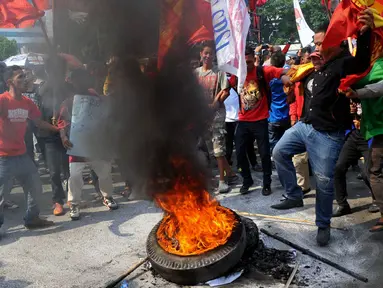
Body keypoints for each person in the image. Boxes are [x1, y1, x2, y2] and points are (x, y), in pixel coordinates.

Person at [270, 11, 373, 246]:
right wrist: (305, 72)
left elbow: (362, 61)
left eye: (321, 42)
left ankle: (323, 225)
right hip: (305, 127)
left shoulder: (343, 63)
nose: (317, 47)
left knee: (325, 183)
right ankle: (294, 195)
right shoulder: (313, 66)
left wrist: (364, 34)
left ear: (335, 41)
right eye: (315, 43)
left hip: (328, 136)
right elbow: (290, 78)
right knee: (279, 152)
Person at [0, 66, 60, 237]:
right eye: (21, 77)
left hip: (22, 155)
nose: (26, 79)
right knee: (1, 196)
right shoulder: (2, 100)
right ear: (9, 82)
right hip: (3, 157)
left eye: (26, 76)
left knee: (35, 186)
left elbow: (39, 122)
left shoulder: (27, 103)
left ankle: (32, 219)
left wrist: (58, 129)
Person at [58, 69, 118, 220]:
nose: (81, 82)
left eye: (84, 79)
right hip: (77, 146)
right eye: (78, 80)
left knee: (104, 172)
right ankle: (74, 203)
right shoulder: (68, 102)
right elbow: (61, 122)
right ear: (72, 82)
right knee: (75, 176)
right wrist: (64, 137)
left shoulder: (97, 98)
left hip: (96, 144)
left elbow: (106, 117)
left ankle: (107, 196)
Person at [232, 46, 290, 195]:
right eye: (244, 62)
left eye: (249, 61)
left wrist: (290, 78)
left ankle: (266, 182)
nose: (247, 65)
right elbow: (229, 86)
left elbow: (281, 71)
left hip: (261, 120)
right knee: (239, 153)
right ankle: (247, 180)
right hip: (243, 121)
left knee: (264, 154)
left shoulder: (262, 71)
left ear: (254, 58)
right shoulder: (237, 75)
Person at [195, 43, 238, 193]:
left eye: (210, 54)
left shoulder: (218, 71)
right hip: (202, 115)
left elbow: (225, 90)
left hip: (217, 114)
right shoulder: (196, 73)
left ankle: (222, 180)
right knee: (212, 150)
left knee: (219, 149)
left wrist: (216, 102)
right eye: (205, 53)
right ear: (201, 54)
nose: (207, 56)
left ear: (214, 56)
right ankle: (230, 173)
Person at [345, 63, 383, 232]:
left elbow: (378, 88)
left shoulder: (377, 65)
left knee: (374, 173)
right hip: (374, 129)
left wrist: (356, 92)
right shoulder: (370, 66)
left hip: (380, 130)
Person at [333, 115, 377, 217]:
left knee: (368, 172)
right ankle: (342, 205)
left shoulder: (370, 99)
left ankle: (377, 199)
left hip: (370, 136)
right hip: (353, 135)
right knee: (339, 168)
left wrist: (363, 121)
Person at [268, 51, 290, 155]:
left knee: (273, 141)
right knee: (285, 141)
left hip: (272, 116)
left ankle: (274, 158)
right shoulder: (288, 79)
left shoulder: (269, 81)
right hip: (286, 115)